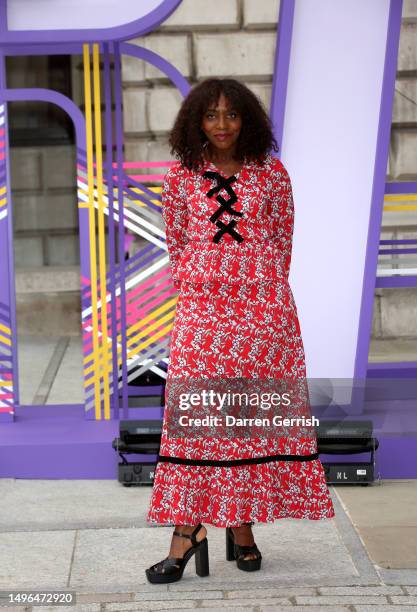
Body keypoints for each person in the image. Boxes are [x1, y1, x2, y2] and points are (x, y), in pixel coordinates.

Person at [145, 78, 335, 584]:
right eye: (212, 116)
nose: (222, 125)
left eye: (232, 115)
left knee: (250, 416)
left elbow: (282, 243)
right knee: (200, 421)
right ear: (196, 122)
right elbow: (178, 244)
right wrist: (203, 285)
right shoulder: (181, 177)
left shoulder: (272, 174)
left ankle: (242, 527)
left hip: (262, 316)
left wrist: (263, 297)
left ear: (247, 119)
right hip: (204, 317)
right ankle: (188, 533)